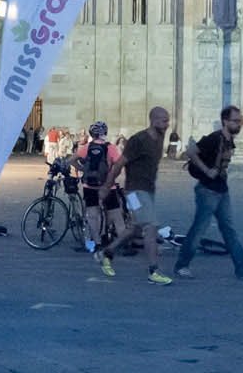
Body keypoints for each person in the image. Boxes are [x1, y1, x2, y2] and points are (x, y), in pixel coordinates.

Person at [175, 106, 243, 280]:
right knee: (199, 229)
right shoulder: (214, 138)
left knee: (228, 229)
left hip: (222, 190)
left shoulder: (229, 140)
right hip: (207, 191)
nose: (239, 124)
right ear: (225, 121)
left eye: (240, 121)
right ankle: (181, 265)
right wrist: (207, 170)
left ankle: (242, 268)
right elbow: (191, 152)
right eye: (235, 121)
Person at [98, 108, 175, 285]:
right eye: (163, 121)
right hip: (134, 192)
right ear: (153, 120)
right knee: (150, 226)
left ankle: (107, 253)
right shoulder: (138, 140)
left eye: (167, 120)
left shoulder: (160, 137)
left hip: (147, 191)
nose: (167, 124)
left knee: (135, 229)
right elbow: (118, 165)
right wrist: (106, 187)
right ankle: (154, 272)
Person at [75, 121, 119, 255]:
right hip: (107, 186)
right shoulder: (110, 147)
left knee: (93, 216)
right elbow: (118, 165)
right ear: (105, 133)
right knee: (114, 214)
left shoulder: (87, 147)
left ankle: (97, 243)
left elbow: (71, 160)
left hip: (89, 186)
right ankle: (112, 239)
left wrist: (82, 169)